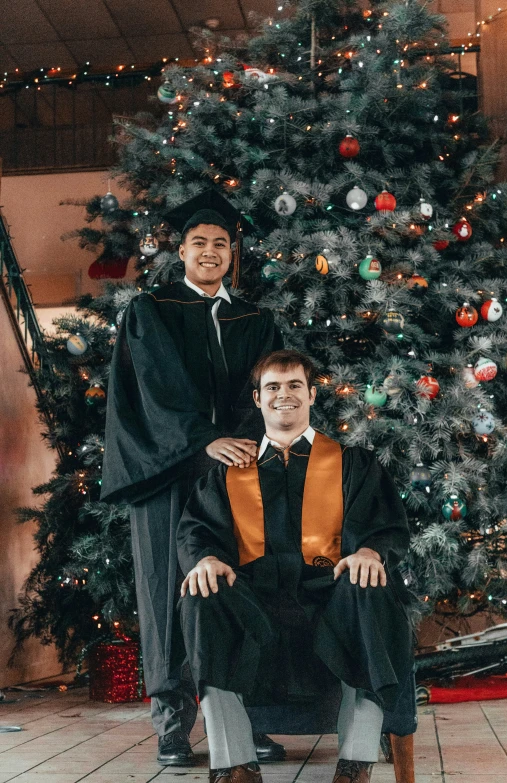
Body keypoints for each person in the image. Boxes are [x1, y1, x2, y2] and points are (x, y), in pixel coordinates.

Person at [100, 190, 285, 766]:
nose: (210, 252)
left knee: (238, 585)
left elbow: (267, 392)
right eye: (199, 243)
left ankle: (240, 718)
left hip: (233, 476)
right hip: (165, 477)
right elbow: (154, 392)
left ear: (233, 254)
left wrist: (247, 443)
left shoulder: (255, 320)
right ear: (180, 251)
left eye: (221, 244)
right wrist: (206, 440)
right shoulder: (150, 310)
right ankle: (172, 725)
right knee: (163, 592)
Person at [177, 349, 413, 783]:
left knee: (370, 590)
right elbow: (197, 531)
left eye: (293, 386)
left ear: (311, 394)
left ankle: (356, 763)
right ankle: (235, 766)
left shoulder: (350, 464)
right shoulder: (227, 473)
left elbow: (386, 527)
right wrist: (205, 560)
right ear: (257, 399)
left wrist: (368, 553)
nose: (282, 395)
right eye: (272, 387)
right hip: (252, 598)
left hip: (332, 594)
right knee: (201, 594)